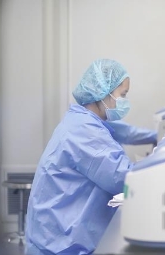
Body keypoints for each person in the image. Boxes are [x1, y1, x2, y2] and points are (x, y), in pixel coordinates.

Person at [25, 59, 152, 255]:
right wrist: (162, 171)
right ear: (103, 91)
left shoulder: (85, 120)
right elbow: (123, 179)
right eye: (123, 95)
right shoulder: (85, 131)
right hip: (59, 245)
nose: (125, 101)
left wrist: (161, 134)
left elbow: (126, 132)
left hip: (57, 237)